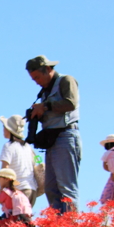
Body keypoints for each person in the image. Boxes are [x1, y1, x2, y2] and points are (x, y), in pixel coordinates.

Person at [26, 55, 81, 213]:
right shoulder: (44, 91)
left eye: (37, 76)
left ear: (48, 69)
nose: (35, 81)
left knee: (66, 187)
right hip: (52, 140)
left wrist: (44, 106)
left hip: (66, 136)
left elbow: (71, 103)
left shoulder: (66, 80)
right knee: (51, 187)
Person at [0, 115, 38, 205]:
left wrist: (2, 189)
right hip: (32, 189)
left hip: (18, 190)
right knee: (26, 218)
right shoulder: (28, 147)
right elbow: (38, 161)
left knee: (13, 218)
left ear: (9, 129)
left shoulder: (8, 146)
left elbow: (4, 169)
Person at [98, 133, 114, 204]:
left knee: (110, 197)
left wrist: (112, 170)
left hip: (113, 176)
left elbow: (105, 167)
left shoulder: (107, 153)